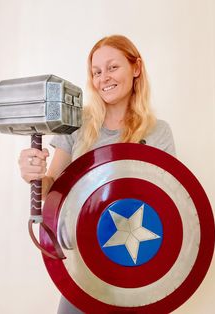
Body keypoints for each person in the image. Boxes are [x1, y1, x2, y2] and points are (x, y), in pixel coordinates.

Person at [18, 34, 176, 313]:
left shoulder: (158, 132)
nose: (104, 78)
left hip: (135, 263)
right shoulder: (76, 124)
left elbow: (168, 206)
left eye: (113, 67)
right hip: (83, 265)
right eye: (96, 72)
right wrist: (34, 176)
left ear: (136, 68)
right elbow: (52, 189)